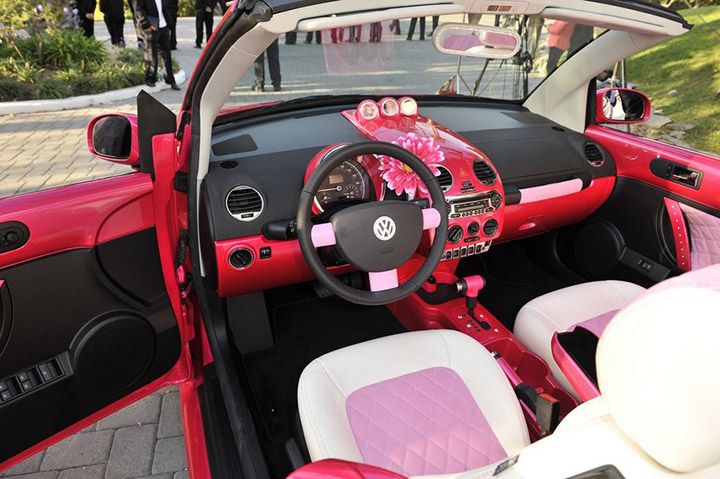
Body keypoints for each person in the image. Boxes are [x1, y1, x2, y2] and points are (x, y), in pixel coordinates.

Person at [134, 0, 181, 90]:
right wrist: (146, 24)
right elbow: (138, 9)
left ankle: (170, 79)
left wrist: (168, 23)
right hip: (151, 26)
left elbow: (164, 8)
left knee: (167, 54)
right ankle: (150, 78)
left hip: (163, 26)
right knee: (152, 54)